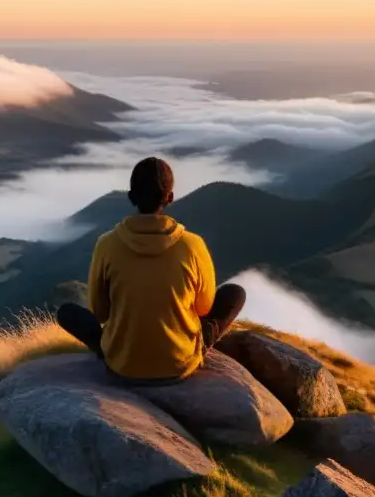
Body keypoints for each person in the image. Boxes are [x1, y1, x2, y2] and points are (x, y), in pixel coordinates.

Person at [57, 157, 246, 384]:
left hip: (122, 364)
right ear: (171, 197)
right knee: (235, 294)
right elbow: (204, 308)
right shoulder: (193, 245)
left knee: (67, 313)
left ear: (131, 197)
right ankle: (199, 345)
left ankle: (108, 349)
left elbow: (99, 312)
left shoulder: (106, 244)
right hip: (180, 363)